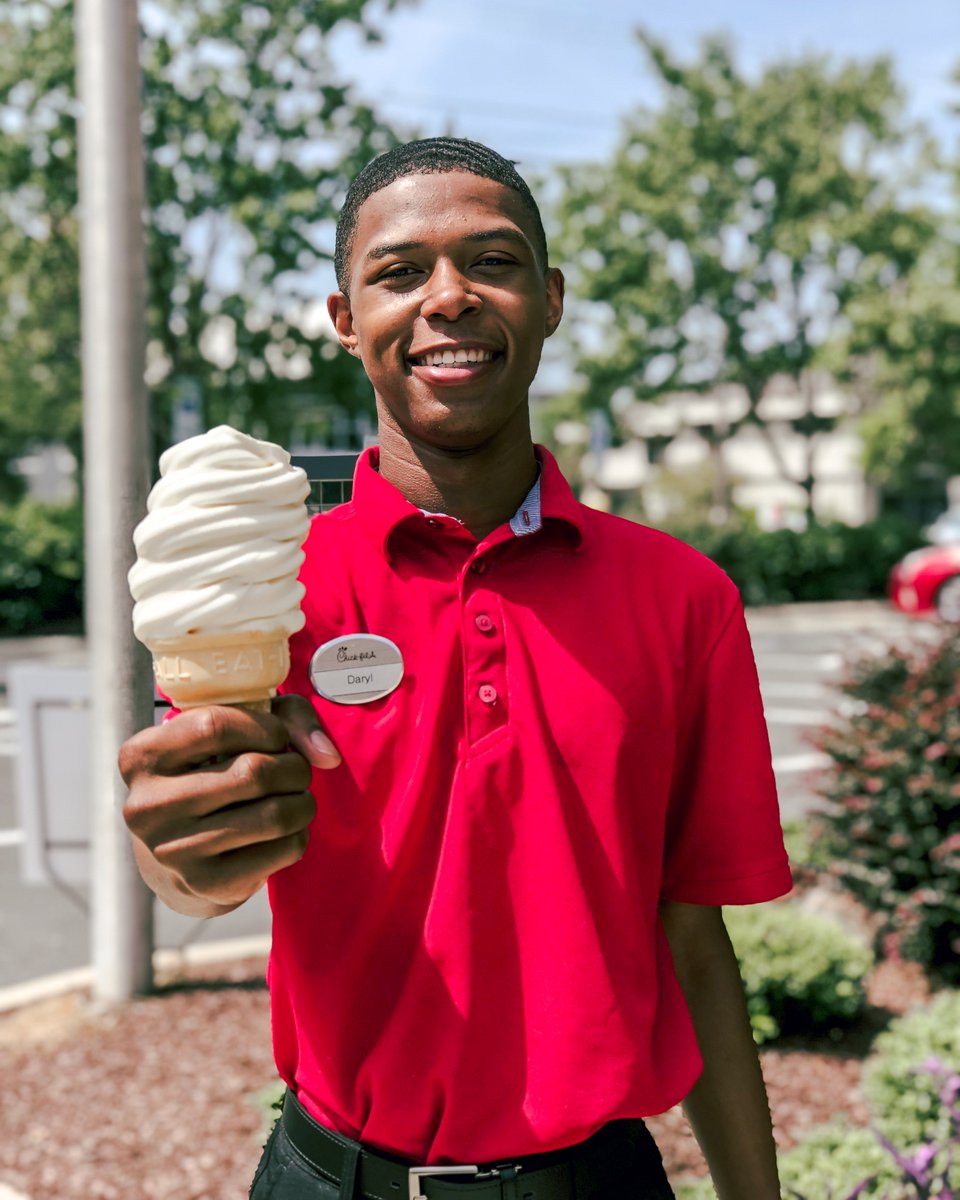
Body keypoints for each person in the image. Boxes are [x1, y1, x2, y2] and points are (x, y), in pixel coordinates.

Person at [119, 137, 792, 1200]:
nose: (449, 298)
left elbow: (694, 936)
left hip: (602, 1180)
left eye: (494, 261)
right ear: (345, 319)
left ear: (551, 299)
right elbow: (202, 856)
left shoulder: (683, 599)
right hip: (333, 1178)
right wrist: (181, 858)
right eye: (398, 272)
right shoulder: (271, 591)